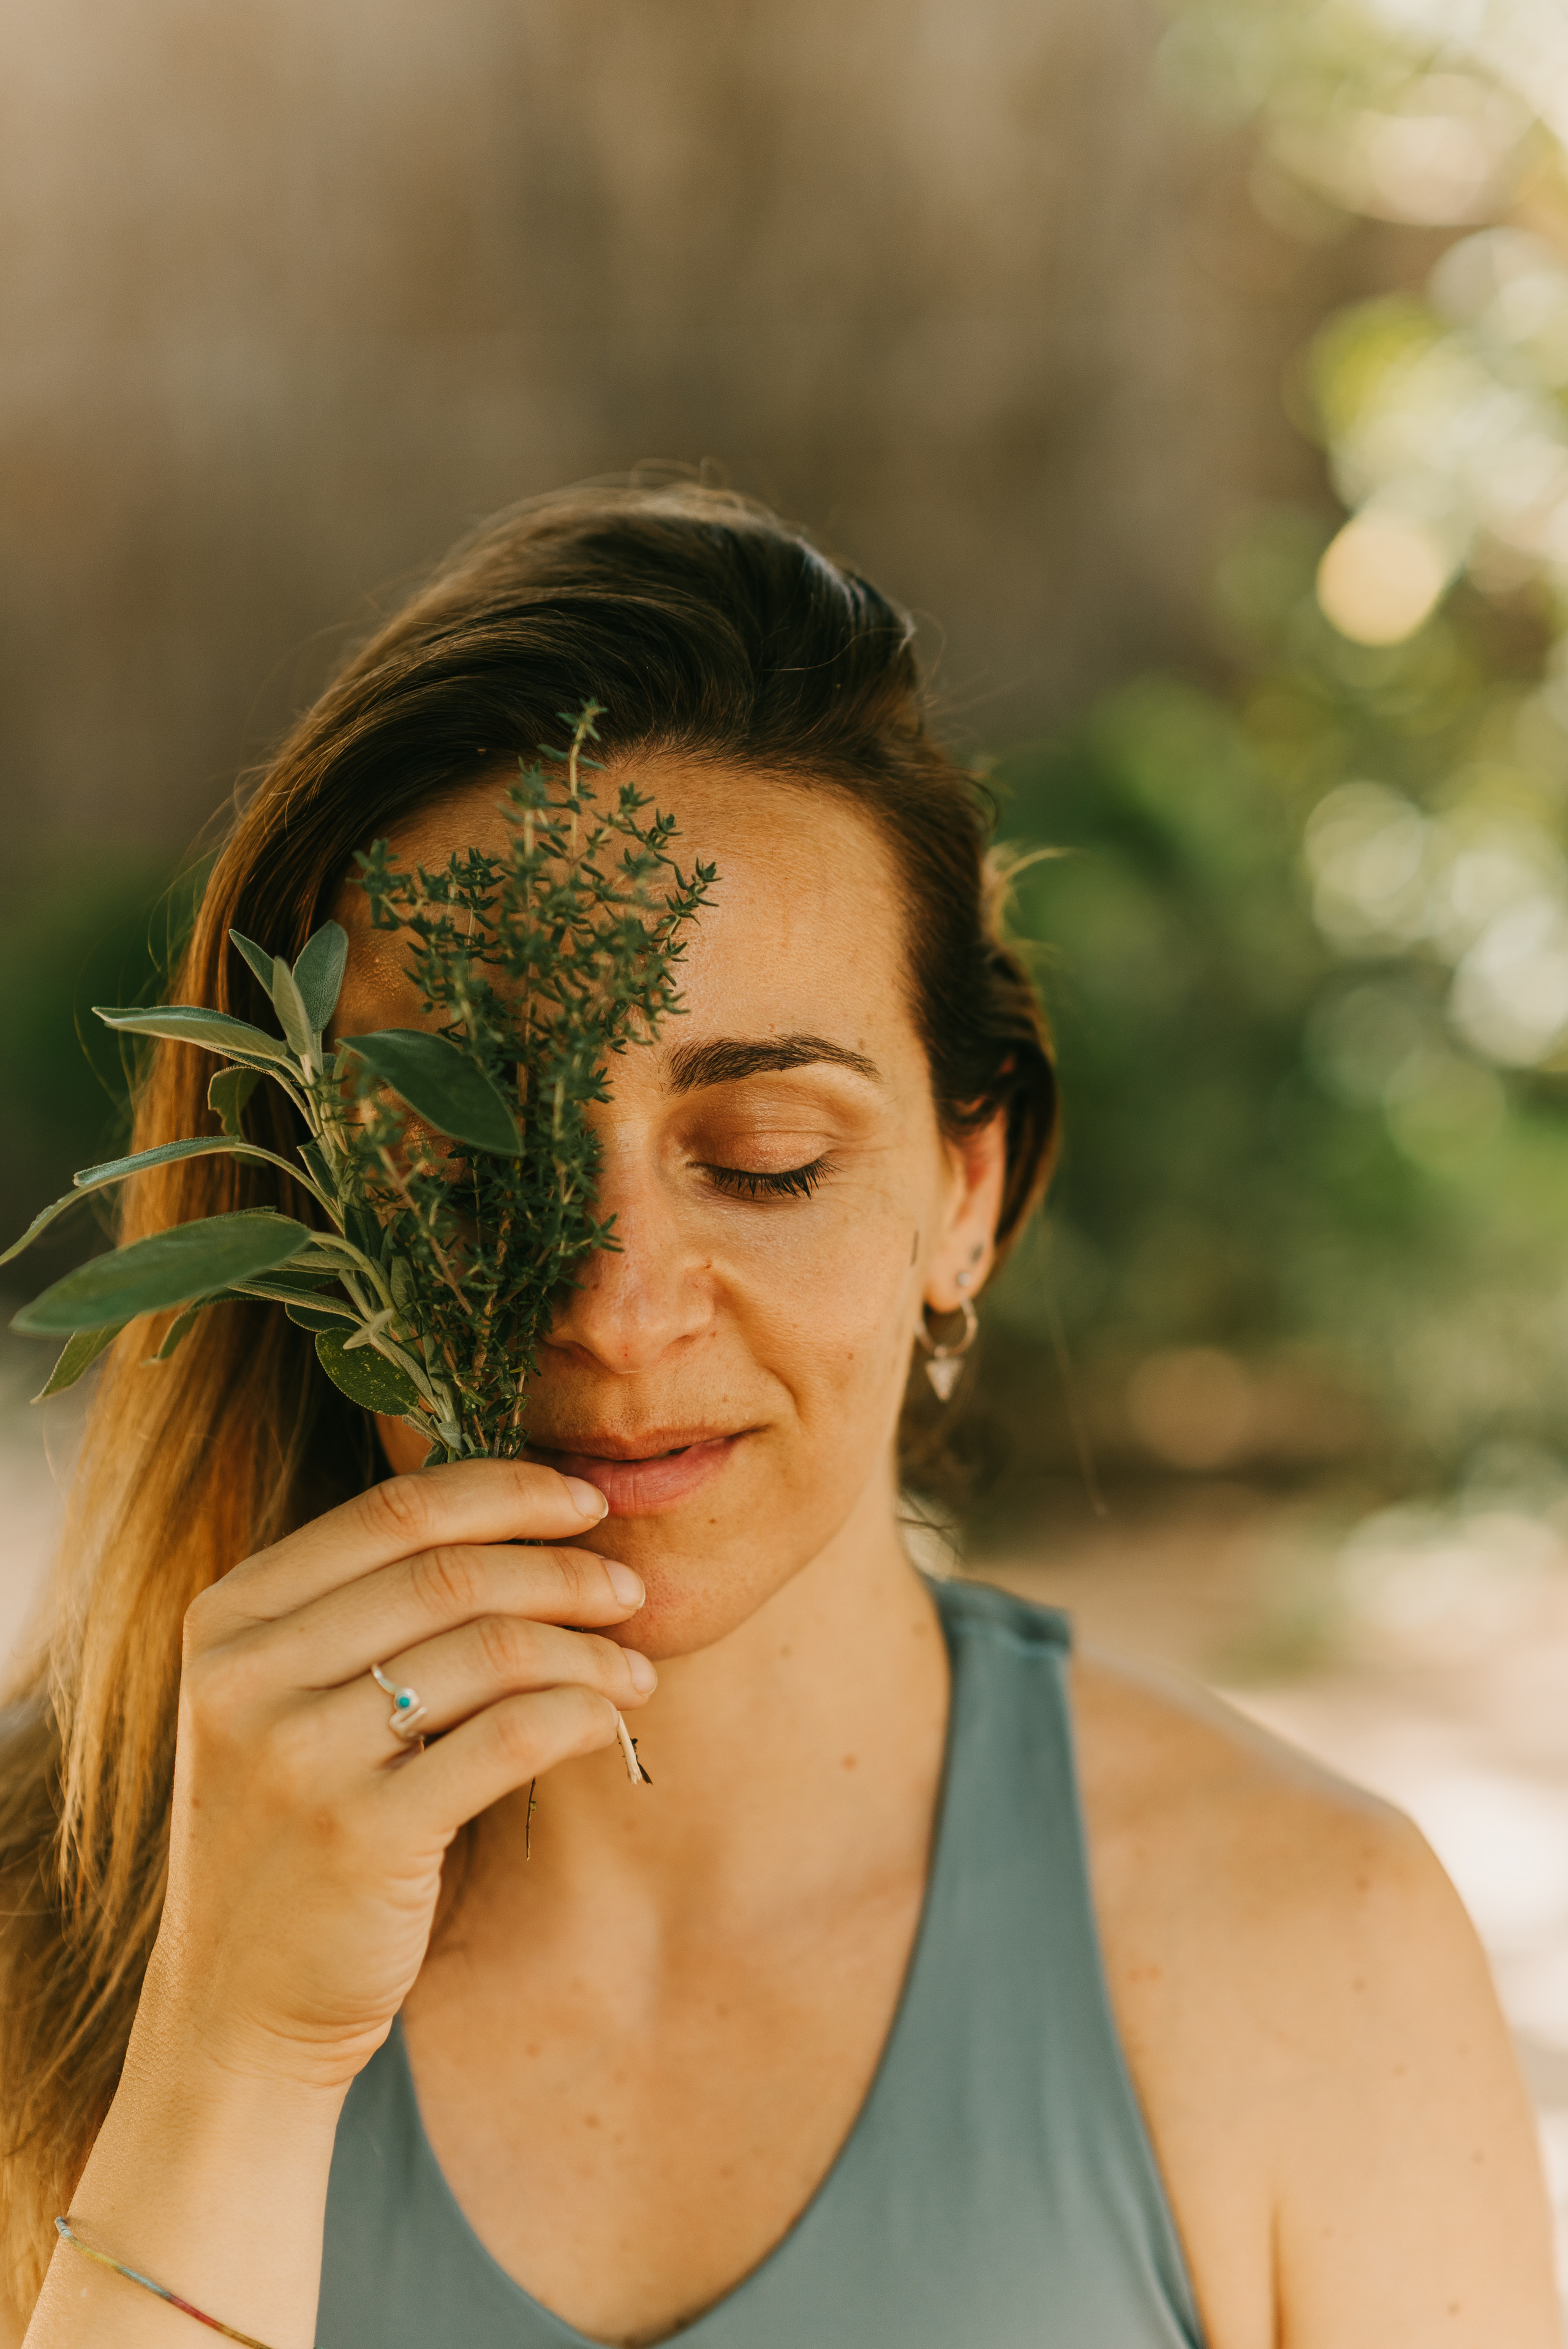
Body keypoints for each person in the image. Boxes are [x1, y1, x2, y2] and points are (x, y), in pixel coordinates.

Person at [0, 485, 1557, 2349]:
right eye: (473, 1161)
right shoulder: (52, 1924)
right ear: (303, 1193)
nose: (613, 1305)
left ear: (966, 1193)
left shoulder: (1318, 1955)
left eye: (762, 1160)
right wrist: (229, 2058)